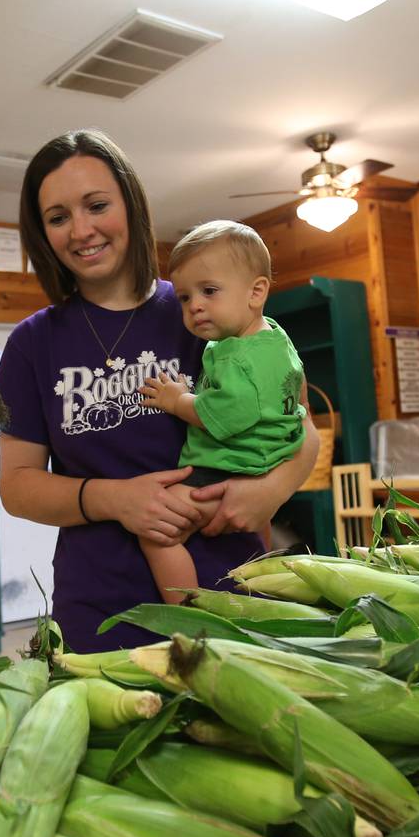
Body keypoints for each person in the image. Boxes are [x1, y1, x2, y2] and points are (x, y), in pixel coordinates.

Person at [0, 131, 320, 652]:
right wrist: (116, 499)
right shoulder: (33, 344)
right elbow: (18, 486)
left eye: (96, 205)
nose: (81, 230)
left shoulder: (204, 306)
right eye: (58, 217)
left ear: (131, 205)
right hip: (101, 607)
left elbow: (300, 425)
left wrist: (271, 490)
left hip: (235, 584)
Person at [137, 221, 308, 602]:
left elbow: (219, 418)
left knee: (157, 534)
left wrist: (175, 399)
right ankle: (259, 566)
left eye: (209, 291)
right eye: (184, 297)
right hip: (268, 459)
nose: (195, 305)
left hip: (225, 468)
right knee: (254, 532)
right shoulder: (273, 336)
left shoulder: (238, 361)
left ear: (256, 292)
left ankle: (190, 607)